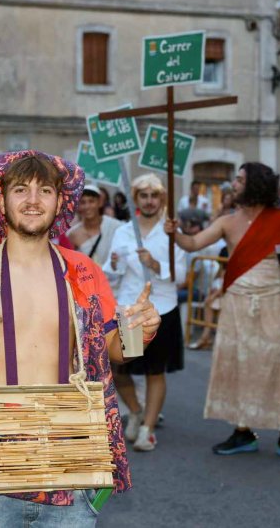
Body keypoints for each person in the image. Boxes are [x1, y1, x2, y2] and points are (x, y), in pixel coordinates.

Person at [0, 151, 161, 526]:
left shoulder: (84, 272)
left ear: (60, 201)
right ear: (1, 197)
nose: (32, 200)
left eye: (45, 190)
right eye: (21, 188)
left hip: (67, 459)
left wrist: (140, 332)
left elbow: (115, 352)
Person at [164, 162, 280, 463]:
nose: (234, 183)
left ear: (255, 184)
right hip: (236, 301)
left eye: (240, 179)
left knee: (274, 363)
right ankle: (242, 430)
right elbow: (193, 243)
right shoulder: (227, 221)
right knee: (237, 363)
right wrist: (175, 233)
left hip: (270, 300)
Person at [104, 174, 186, 452]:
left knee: (155, 371)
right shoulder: (124, 232)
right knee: (117, 367)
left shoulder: (172, 232)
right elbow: (111, 274)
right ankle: (136, 411)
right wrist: (114, 263)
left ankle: (147, 429)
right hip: (129, 308)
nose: (149, 201)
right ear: (135, 199)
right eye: (144, 195)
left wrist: (155, 263)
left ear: (162, 199)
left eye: (154, 196)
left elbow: (183, 276)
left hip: (163, 308)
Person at [67, 183, 123, 266]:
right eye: (83, 202)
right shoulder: (73, 234)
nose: (87, 206)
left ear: (100, 203)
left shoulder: (115, 226)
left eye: (91, 201)